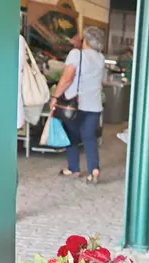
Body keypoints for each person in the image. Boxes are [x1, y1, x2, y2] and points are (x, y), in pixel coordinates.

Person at [52, 26, 106, 184]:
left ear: (87, 40)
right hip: (94, 104)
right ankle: (94, 170)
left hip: (75, 104)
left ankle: (74, 168)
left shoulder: (76, 54)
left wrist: (55, 96)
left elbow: (67, 78)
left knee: (72, 136)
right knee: (89, 137)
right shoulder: (100, 58)